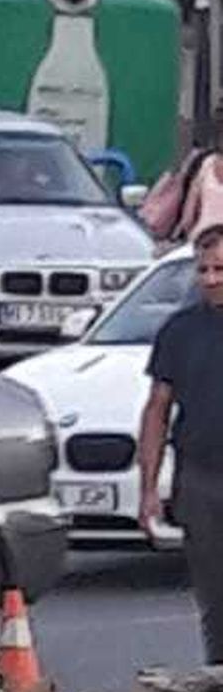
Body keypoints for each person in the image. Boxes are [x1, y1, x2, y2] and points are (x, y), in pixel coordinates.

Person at [139, 223, 223, 661]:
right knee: (214, 596)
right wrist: (149, 488)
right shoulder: (180, 331)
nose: (211, 279)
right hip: (202, 479)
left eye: (220, 269)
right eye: (204, 269)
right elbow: (157, 408)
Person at [146, 107, 223, 244]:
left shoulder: (207, 164)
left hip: (203, 240)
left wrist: (182, 238)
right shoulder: (205, 163)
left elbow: (188, 217)